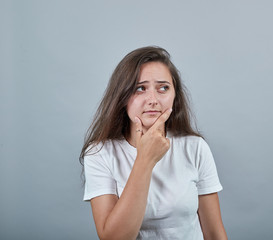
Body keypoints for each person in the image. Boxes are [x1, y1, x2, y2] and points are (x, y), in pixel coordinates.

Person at [79, 46, 227, 240]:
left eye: (163, 88)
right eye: (140, 88)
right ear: (122, 97)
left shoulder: (195, 147)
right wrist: (145, 159)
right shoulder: (99, 153)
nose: (153, 100)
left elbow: (215, 234)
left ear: (175, 96)